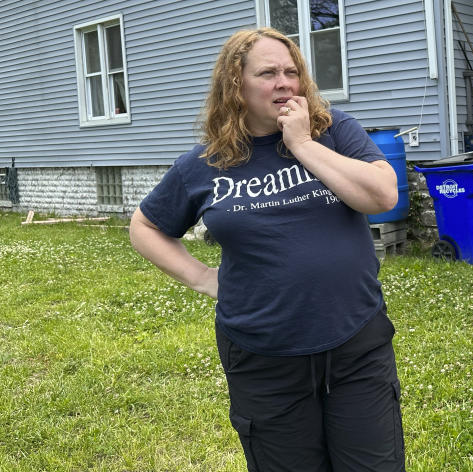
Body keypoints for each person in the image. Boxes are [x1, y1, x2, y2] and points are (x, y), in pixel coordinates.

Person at [129, 27, 405, 472]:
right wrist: (201, 277)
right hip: (263, 357)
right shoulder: (204, 163)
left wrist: (300, 144)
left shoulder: (333, 132)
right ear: (235, 84)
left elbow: (382, 196)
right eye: (268, 73)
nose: (283, 82)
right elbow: (145, 227)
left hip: (356, 345)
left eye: (291, 72)